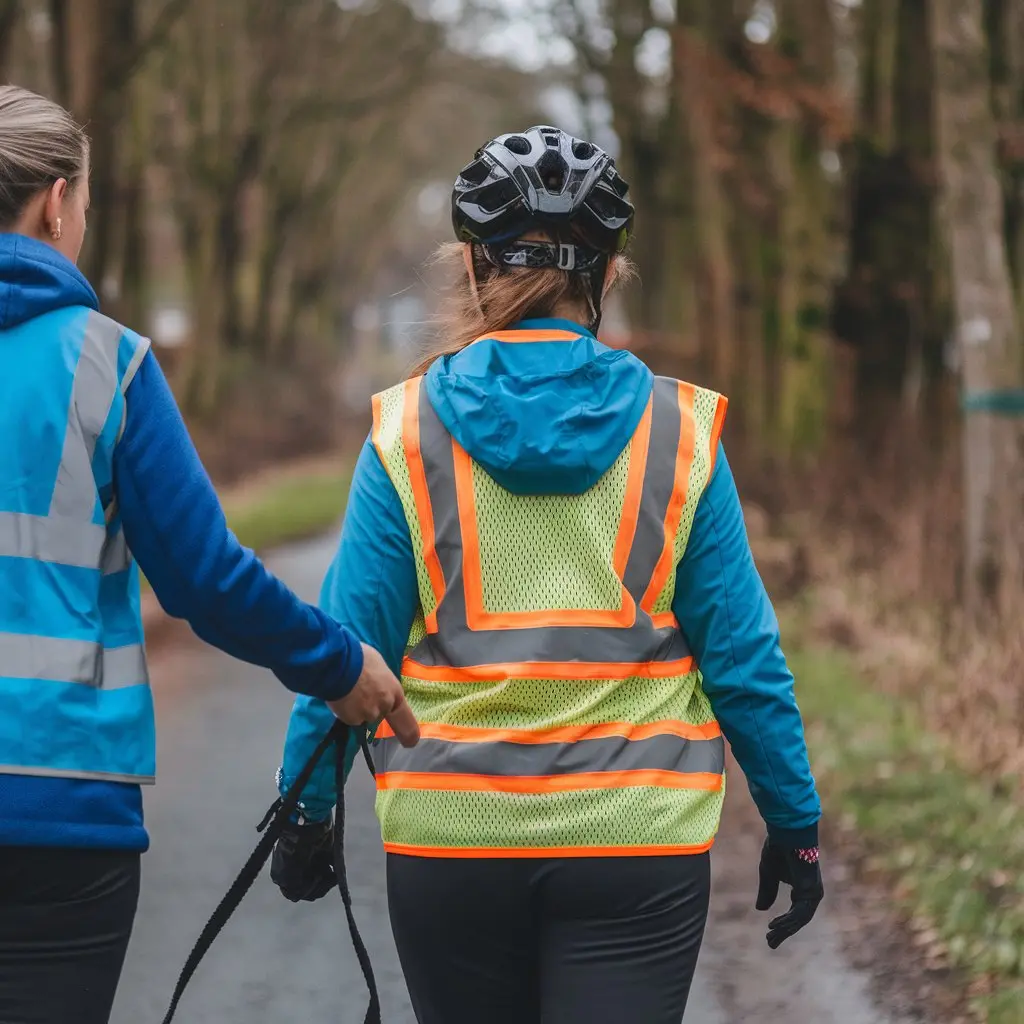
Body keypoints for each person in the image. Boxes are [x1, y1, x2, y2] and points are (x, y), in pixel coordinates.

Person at [271, 125, 823, 1024]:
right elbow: (744, 658)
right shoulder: (678, 435)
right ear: (607, 275)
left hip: (451, 837)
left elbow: (348, 647)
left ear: (473, 266)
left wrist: (307, 803)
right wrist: (793, 822)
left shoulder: (406, 432)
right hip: (636, 840)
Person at [0, 85, 418, 1024]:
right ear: (57, 202)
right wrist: (340, 665)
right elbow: (204, 577)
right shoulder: (103, 365)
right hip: (55, 818)